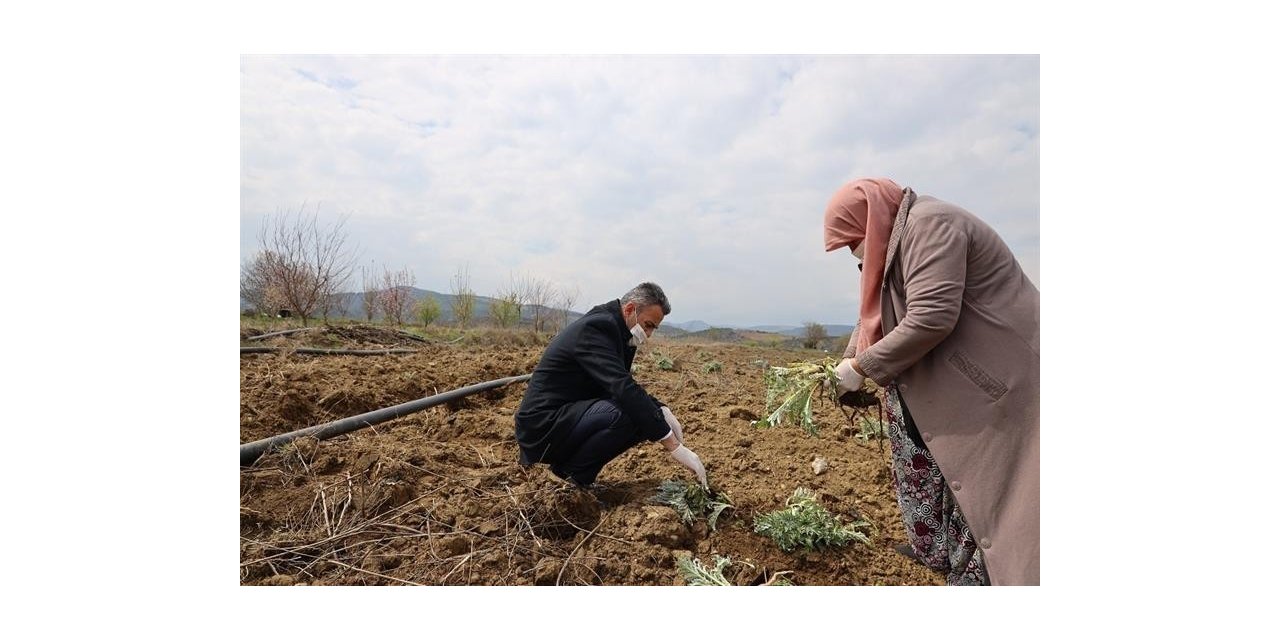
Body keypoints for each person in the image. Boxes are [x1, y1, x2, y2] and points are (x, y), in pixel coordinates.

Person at [823, 178, 1039, 586]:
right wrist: (850, 357)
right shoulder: (893, 243)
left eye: (854, 241)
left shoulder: (931, 226)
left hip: (987, 380)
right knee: (923, 459)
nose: (855, 253)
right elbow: (873, 312)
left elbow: (931, 316)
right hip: (938, 375)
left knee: (980, 481)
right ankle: (936, 550)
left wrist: (861, 368)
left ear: (872, 221)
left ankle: (978, 573)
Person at [514, 282, 707, 490]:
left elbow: (622, 383)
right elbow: (622, 388)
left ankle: (574, 474)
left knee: (645, 416)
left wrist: (661, 410)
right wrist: (674, 446)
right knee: (629, 413)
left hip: (569, 417)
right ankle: (572, 477)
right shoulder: (596, 329)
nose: (649, 334)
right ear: (630, 309)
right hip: (543, 426)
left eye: (653, 328)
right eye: (648, 324)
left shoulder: (620, 331)